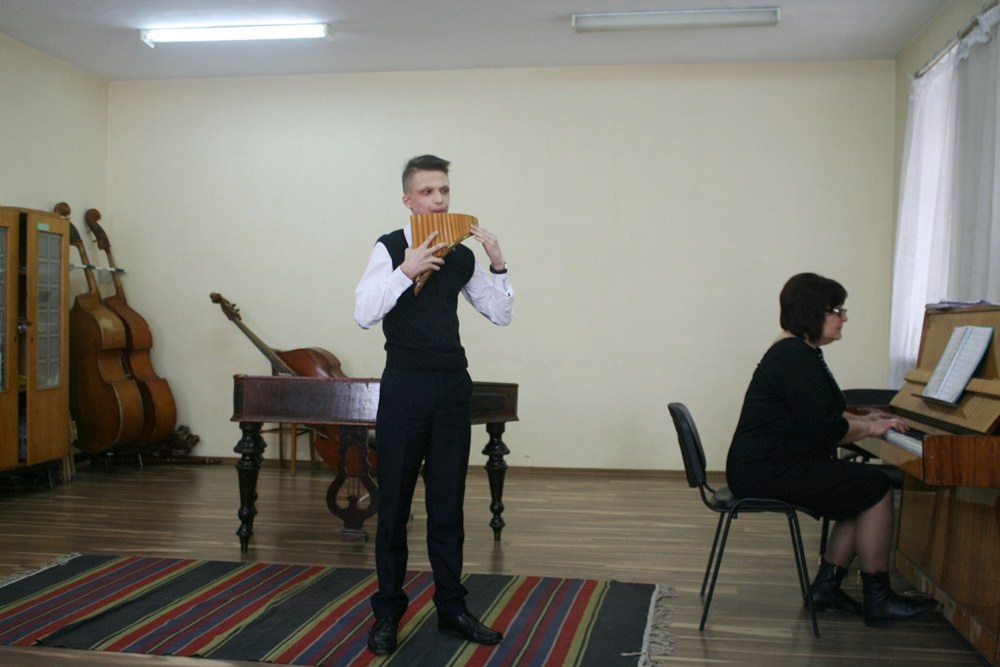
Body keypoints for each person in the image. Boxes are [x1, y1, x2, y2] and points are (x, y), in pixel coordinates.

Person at [354, 154, 514, 655]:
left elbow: (500, 313)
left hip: (451, 387)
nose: (439, 200)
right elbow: (362, 313)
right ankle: (387, 612)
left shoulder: (459, 254)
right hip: (404, 386)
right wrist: (405, 271)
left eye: (444, 191)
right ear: (408, 200)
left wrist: (498, 262)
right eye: (427, 192)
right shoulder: (389, 247)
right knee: (394, 506)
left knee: (447, 504)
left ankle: (452, 607)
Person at [726, 272, 938, 627]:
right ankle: (878, 598)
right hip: (765, 470)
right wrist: (871, 427)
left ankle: (827, 588)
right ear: (812, 312)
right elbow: (826, 427)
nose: (844, 317)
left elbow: (820, 412)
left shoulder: (798, 351)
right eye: (837, 310)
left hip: (767, 464)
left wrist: (863, 417)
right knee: (875, 487)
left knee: (858, 487)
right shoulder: (794, 356)